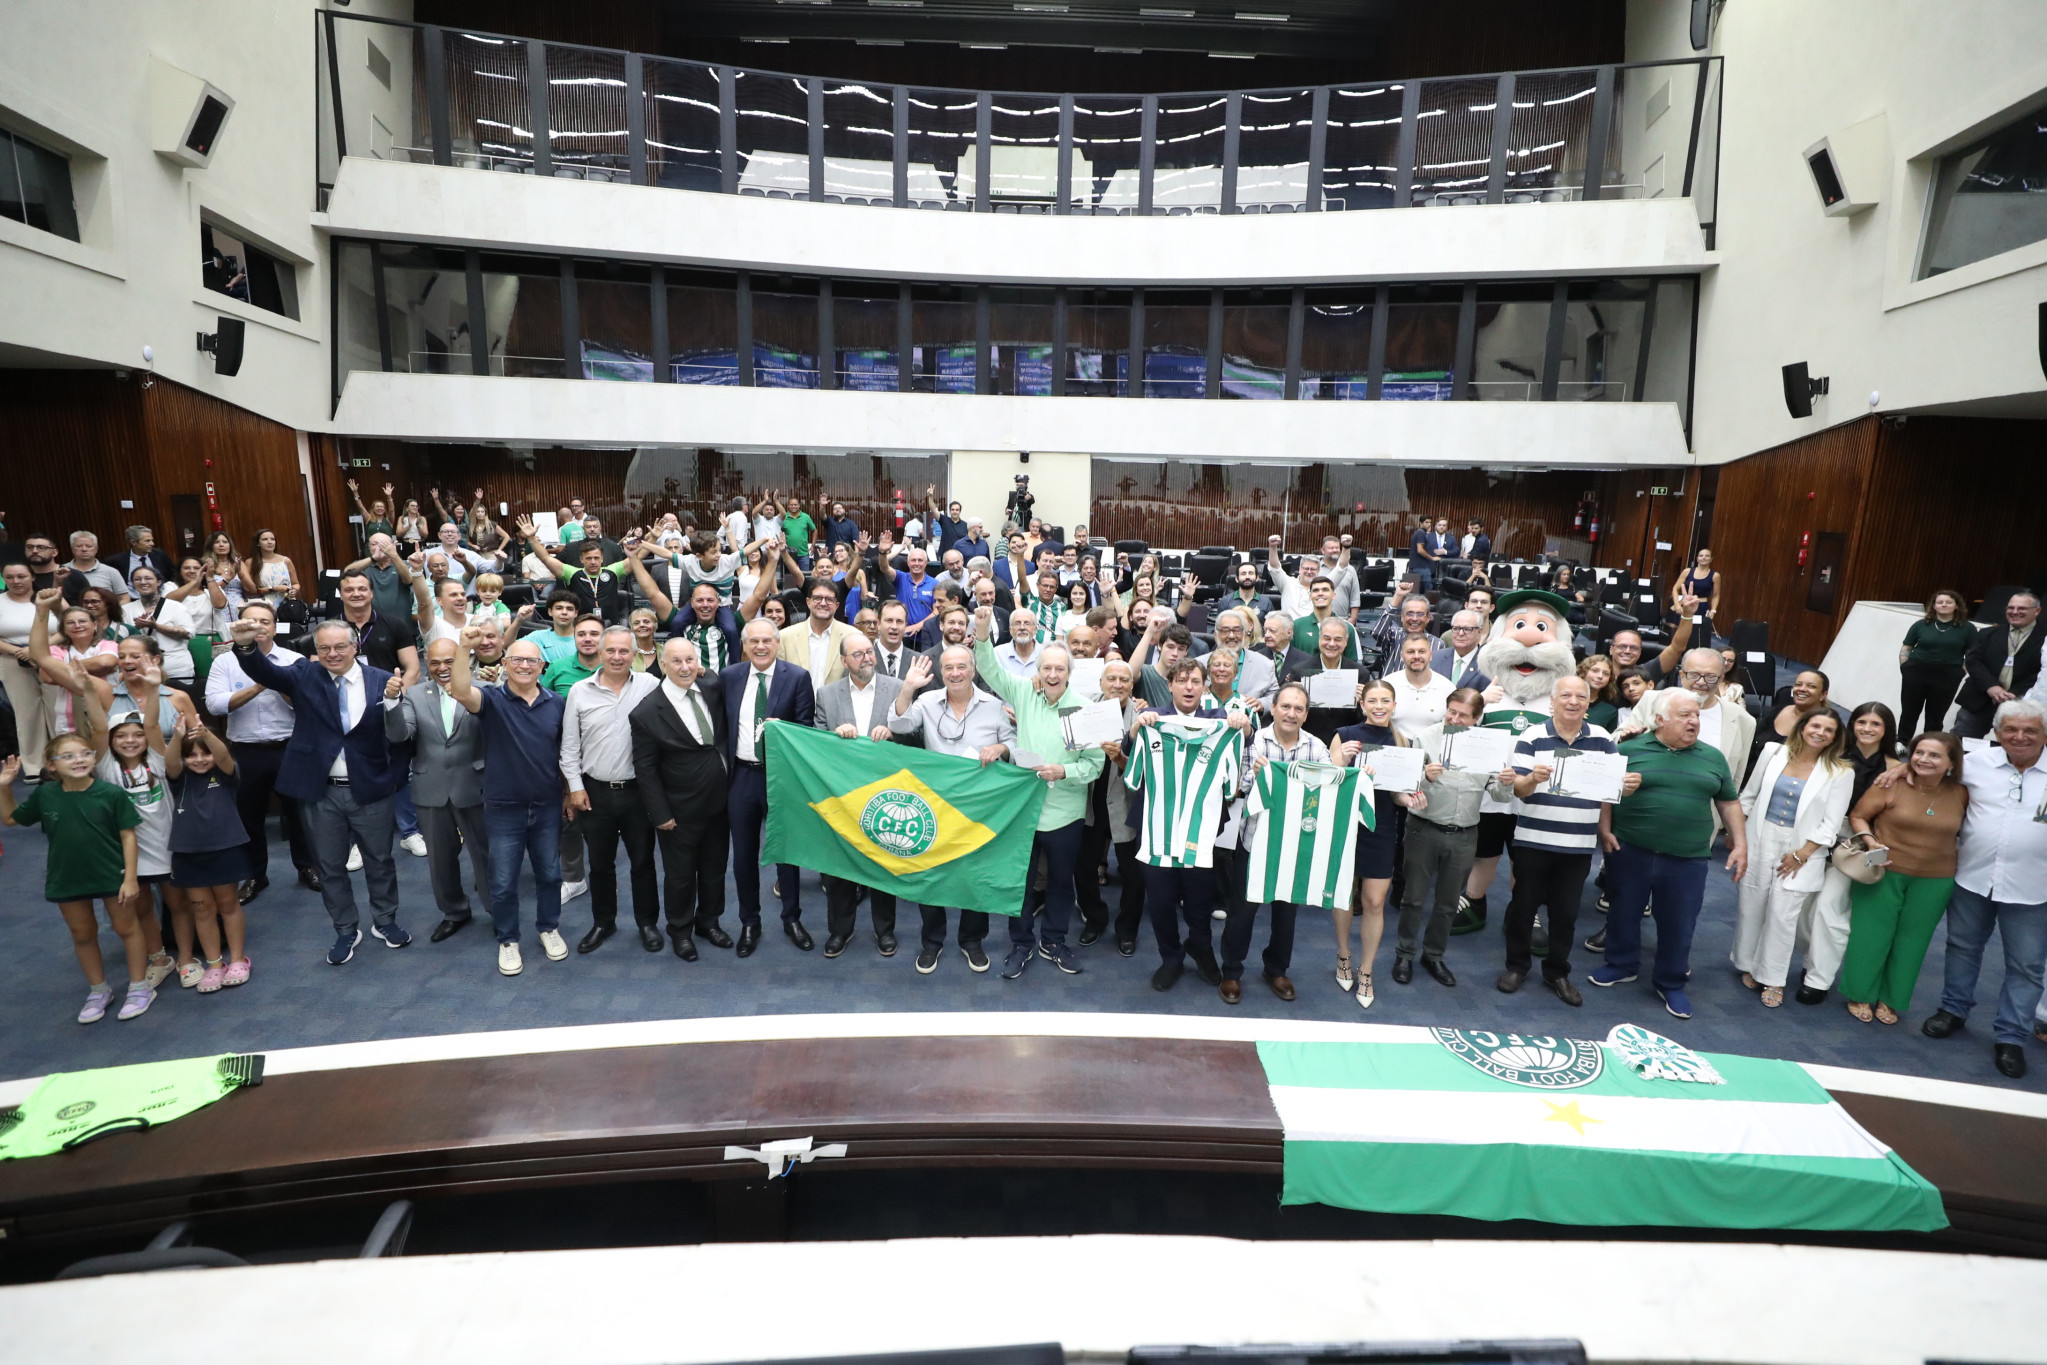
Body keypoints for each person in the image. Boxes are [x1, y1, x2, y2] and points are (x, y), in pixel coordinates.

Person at [228, 615, 412, 965]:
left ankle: (386, 921)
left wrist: (394, 777)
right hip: (321, 792)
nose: (332, 654)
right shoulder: (304, 675)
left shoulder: (382, 680)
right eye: (324, 648)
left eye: (340, 646)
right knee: (329, 866)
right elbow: (266, 672)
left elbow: (399, 738)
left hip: (371, 789)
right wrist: (246, 646)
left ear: (354, 647)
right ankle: (345, 929)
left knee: (380, 861)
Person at [1589, 689, 1748, 1020]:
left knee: (1679, 922)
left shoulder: (1713, 757)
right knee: (1623, 912)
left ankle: (1671, 981)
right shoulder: (1629, 749)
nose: (1694, 721)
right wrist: (1604, 830)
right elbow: (1606, 792)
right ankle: (1621, 965)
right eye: (1684, 715)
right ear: (1660, 720)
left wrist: (1740, 843)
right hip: (1631, 849)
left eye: (1696, 715)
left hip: (1688, 857)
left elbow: (1729, 801)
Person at [975, 605, 1106, 979]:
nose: (1051, 674)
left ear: (1069, 672)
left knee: (1061, 884)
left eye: (1059, 669)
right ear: (1037, 670)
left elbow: (1094, 766)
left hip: (1065, 813)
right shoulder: (1023, 693)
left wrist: (1064, 770)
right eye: (1046, 668)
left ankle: (1054, 941)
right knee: (1021, 882)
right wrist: (982, 634)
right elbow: (990, 670)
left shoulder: (1083, 710)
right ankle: (1021, 944)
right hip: (1025, 810)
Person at [1918, 701, 2047, 1078]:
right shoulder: (1974, 765)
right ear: (1997, 733)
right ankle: (1953, 1010)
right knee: (1961, 946)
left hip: (2034, 888)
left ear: (2044, 735)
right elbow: (1928, 771)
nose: (2020, 737)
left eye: (2030, 730)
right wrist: (1896, 771)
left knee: (2026, 967)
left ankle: (2011, 1037)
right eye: (2011, 730)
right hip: (1973, 878)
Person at [0, 736, 152, 1023]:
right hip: (67, 876)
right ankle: (99, 990)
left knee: (126, 927)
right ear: (51, 766)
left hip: (111, 874)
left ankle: (139, 986)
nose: (79, 760)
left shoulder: (111, 793)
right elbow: (10, 819)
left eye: (85, 753)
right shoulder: (46, 795)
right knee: (82, 934)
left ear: (94, 758)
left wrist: (131, 878)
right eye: (68, 756)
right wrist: (5, 787)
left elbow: (128, 836)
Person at [1497, 673, 1627, 1005]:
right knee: (1523, 908)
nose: (1573, 702)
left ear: (1588, 703)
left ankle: (1557, 972)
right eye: (1566, 696)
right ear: (1552, 702)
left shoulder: (1602, 738)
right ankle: (1516, 966)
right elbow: (1519, 791)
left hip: (1578, 844)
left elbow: (1611, 791)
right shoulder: (1532, 735)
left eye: (1580, 697)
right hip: (1532, 840)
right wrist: (1532, 779)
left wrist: (1625, 788)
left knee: (1566, 914)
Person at [446, 629, 569, 976]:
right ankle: (508, 939)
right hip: (504, 808)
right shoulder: (491, 700)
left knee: (550, 875)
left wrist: (568, 793)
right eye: (517, 659)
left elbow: (564, 752)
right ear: (504, 664)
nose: (524, 665)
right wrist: (464, 647)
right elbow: (460, 690)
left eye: (532, 660)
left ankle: (548, 927)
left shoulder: (557, 703)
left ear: (542, 667)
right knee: (502, 881)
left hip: (547, 805)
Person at [888, 646, 1012, 973]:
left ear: (973, 670)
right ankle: (932, 941)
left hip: (979, 807)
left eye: (961, 667)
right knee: (930, 874)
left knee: (975, 875)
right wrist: (908, 687)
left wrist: (1000, 747)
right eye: (949, 668)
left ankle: (972, 940)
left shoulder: (994, 706)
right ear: (941, 673)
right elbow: (899, 724)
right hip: (935, 805)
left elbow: (1013, 744)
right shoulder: (927, 701)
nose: (955, 673)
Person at [1126, 658, 1244, 991]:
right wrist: (1135, 729)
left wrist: (1243, 727)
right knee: (1161, 902)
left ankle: (1201, 947)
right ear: (1170, 685)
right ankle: (1171, 958)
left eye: (1195, 681)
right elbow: (1131, 769)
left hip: (1199, 832)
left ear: (1205, 687)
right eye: (1182, 680)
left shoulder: (1220, 722)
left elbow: (1234, 777)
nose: (1189, 687)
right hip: (1157, 831)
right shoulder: (1153, 720)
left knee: (1199, 900)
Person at [1839, 731, 1968, 1027]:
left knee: (1913, 940)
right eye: (1919, 752)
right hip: (1885, 869)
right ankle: (1860, 994)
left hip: (1936, 878)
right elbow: (1858, 816)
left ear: (1951, 762)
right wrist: (1871, 842)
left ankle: (1891, 999)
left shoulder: (1962, 792)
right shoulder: (1890, 783)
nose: (1924, 759)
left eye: (1934, 755)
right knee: (1872, 933)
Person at [1731, 709, 1853, 1009]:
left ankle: (1773, 978)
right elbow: (1749, 796)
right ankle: (1748, 963)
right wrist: (1738, 837)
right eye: (1815, 726)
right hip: (1761, 837)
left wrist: (1802, 854)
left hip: (1802, 849)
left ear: (1835, 738)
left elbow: (1831, 824)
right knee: (1752, 903)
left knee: (1783, 915)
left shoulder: (1841, 772)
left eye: (1829, 730)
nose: (1820, 733)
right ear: (1802, 727)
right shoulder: (1774, 753)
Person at [71, 670, 179, 992]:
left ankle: (187, 958)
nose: (129, 740)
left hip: (167, 845)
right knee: (142, 908)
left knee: (179, 904)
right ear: (111, 742)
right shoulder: (105, 766)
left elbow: (153, 724)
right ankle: (159, 959)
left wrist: (154, 688)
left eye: (136, 735)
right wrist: (89, 690)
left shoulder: (157, 761)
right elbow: (99, 727)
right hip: (129, 852)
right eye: (121, 736)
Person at [1221, 681, 1327, 1002]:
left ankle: (1276, 969)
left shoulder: (1316, 748)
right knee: (1242, 912)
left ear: (1306, 715)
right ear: (1274, 709)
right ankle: (1231, 971)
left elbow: (1327, 793)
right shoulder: (1252, 742)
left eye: (1298, 709)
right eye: (1286, 706)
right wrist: (1254, 775)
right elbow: (1235, 789)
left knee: (1286, 914)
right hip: (1255, 842)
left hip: (1295, 845)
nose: (1291, 714)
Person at [204, 602, 317, 902]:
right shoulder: (224, 662)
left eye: (265, 621)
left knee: (300, 813)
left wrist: (277, 679)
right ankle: (255, 874)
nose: (258, 626)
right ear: (239, 627)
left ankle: (307, 866)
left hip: (290, 747)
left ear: (275, 627)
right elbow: (215, 705)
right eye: (250, 621)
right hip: (245, 751)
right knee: (249, 817)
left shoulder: (294, 660)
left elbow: (307, 704)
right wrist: (260, 683)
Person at [561, 626, 664, 954]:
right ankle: (603, 922)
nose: (617, 657)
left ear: (634, 654)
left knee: (643, 862)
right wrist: (575, 788)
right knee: (600, 864)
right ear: (600, 653)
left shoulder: (651, 685)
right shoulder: (579, 691)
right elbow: (569, 747)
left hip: (639, 793)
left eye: (624, 651)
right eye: (611, 651)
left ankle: (647, 923)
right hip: (595, 793)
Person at [629, 637, 733, 958]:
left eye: (690, 660)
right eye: (676, 661)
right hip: (679, 811)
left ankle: (709, 922)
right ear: (663, 665)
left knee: (715, 870)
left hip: (719, 804)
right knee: (681, 876)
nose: (685, 667)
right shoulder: (646, 711)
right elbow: (645, 769)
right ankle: (680, 930)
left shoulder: (711, 685)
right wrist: (660, 814)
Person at [1331, 679, 1430, 1009]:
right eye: (1372, 700)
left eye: (1385, 700)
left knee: (1374, 902)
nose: (1378, 706)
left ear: (1394, 705)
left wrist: (1410, 800)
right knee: (1345, 896)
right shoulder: (1345, 735)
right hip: (1345, 826)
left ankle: (1367, 969)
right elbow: (1329, 781)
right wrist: (1341, 760)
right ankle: (1344, 955)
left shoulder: (1403, 742)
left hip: (1381, 827)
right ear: (1363, 704)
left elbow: (1398, 794)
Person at [385, 637, 490, 945]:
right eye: (435, 662)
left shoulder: (484, 688)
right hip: (430, 789)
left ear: (462, 659)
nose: (442, 668)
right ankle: (454, 912)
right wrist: (391, 701)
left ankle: (499, 910)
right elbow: (399, 735)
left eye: (449, 661)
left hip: (476, 786)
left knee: (487, 856)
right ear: (426, 665)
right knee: (440, 860)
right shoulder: (414, 694)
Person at [723, 617, 817, 956]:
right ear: (745, 646)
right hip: (742, 777)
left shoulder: (798, 677)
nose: (761, 646)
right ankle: (750, 922)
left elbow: (806, 728)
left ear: (778, 644)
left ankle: (792, 918)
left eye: (767, 641)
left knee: (786, 853)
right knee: (743, 856)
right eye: (754, 641)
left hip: (780, 778)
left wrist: (785, 729)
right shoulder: (729, 677)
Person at [813, 631, 904, 958]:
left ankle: (885, 930)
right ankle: (840, 931)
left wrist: (893, 732)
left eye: (869, 651)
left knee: (882, 864)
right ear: (844, 661)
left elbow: (915, 735)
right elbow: (816, 742)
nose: (867, 658)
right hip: (842, 796)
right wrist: (834, 736)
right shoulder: (826, 694)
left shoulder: (898, 688)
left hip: (884, 795)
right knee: (839, 866)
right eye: (858, 654)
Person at [1397, 687, 1492, 991]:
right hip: (1424, 828)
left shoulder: (1488, 745)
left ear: (1477, 718)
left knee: (1448, 902)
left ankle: (1434, 955)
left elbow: (1501, 794)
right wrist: (1426, 777)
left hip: (1464, 832)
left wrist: (1505, 782)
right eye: (1451, 711)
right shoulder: (1425, 737)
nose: (1454, 719)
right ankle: (1404, 954)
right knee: (1413, 898)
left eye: (1463, 715)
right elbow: (1405, 784)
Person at [161, 714, 253, 992]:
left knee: (228, 904)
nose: (199, 759)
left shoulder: (225, 773)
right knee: (201, 909)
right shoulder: (180, 778)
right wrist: (178, 737)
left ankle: (238, 960)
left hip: (225, 849)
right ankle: (214, 964)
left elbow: (222, 755)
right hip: (188, 853)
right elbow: (170, 761)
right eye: (192, 755)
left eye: (205, 753)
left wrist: (205, 734)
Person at [1075, 657, 1146, 956]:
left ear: (1132, 685)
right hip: (1090, 802)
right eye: (1111, 679)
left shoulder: (1143, 718)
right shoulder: (1082, 710)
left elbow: (1144, 773)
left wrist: (1119, 758)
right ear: (1100, 683)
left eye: (1124, 680)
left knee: (1133, 874)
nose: (1117, 685)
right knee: (1083, 868)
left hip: (1125, 804)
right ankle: (1094, 918)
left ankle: (1127, 929)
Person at [1954, 591, 2040, 740]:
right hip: (1979, 700)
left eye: (2021, 608)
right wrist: (1991, 687)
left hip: (2022, 705)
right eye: (2011, 608)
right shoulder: (1987, 633)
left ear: (2037, 611)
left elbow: (2042, 672)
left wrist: (2015, 693)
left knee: (2017, 747)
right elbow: (1973, 661)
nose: (2015, 612)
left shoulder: (2045, 638)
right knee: (1959, 743)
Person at [0, 561, 54, 779]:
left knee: (57, 710)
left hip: (52, 658)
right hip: (12, 660)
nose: (15, 581)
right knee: (26, 714)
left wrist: (36, 650)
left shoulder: (49, 597)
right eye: (9, 577)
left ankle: (62, 760)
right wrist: (17, 651)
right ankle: (34, 766)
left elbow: (68, 627)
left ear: (32, 577)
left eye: (21, 576)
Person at [1896, 588, 1972, 738]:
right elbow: (1907, 647)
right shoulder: (1920, 625)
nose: (1944, 605)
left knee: (1936, 715)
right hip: (1916, 673)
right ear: (1934, 606)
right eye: (1940, 602)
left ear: (1957, 605)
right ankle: (1903, 741)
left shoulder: (1967, 628)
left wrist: (1960, 673)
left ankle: (1931, 743)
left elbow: (1972, 654)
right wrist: (1905, 668)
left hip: (1947, 676)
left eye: (1948, 602)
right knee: (1909, 711)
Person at [1280, 615, 1365, 745]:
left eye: (1338, 639)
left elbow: (1363, 719)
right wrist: (1295, 697)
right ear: (1319, 639)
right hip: (1308, 742)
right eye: (1327, 638)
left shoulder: (1360, 674)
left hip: (1346, 742)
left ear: (1346, 642)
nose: (1331, 644)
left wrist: (1363, 702)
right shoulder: (1299, 671)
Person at [123, 567, 195, 696]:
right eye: (137, 579)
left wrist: (156, 626)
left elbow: (187, 633)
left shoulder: (175, 607)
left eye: (148, 578)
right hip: (141, 668)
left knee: (179, 701)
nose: (143, 582)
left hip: (175, 666)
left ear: (159, 582)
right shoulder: (126, 610)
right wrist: (135, 630)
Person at [778, 579, 857, 688]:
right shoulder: (784, 637)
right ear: (808, 602)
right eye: (817, 598)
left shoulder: (853, 636)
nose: (823, 603)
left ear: (837, 605)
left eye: (829, 600)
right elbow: (779, 681)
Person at [1196, 608, 1277, 712]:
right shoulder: (1198, 664)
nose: (1231, 636)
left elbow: (1276, 696)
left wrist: (1262, 704)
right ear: (1216, 635)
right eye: (1225, 630)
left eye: (1236, 630)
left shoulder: (1265, 664)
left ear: (1244, 634)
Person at [1386, 633, 1453, 740]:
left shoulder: (1448, 688)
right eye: (1410, 652)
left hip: (1432, 748)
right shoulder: (1387, 684)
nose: (1416, 656)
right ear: (1402, 657)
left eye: (1422, 651)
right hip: (1395, 747)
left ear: (1430, 655)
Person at [239, 529, 299, 611]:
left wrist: (294, 590)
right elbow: (249, 590)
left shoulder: (286, 561)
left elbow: (296, 583)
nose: (270, 542)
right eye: (265, 539)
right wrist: (274, 588)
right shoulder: (251, 562)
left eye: (272, 539)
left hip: (287, 605)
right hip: (263, 605)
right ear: (258, 543)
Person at [66, 531, 131, 606]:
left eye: (88, 546)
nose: (84, 549)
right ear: (72, 549)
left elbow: (124, 598)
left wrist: (115, 612)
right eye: (79, 546)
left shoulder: (111, 571)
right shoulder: (63, 571)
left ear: (96, 549)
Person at [1674, 547, 1722, 643]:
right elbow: (1675, 589)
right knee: (1681, 632)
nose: (1704, 557)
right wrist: (1677, 604)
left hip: (1702, 606)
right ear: (1697, 558)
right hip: (1685, 604)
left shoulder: (1715, 575)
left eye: (1707, 556)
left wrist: (1713, 610)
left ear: (1711, 559)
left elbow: (1716, 595)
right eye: (1701, 555)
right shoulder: (1687, 571)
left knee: (1697, 633)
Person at [1439, 611, 1491, 692]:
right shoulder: (1436, 658)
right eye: (1456, 628)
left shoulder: (1489, 664)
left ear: (1479, 631)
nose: (1460, 633)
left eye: (1467, 629)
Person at [994, 607, 1044, 676]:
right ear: (1010, 630)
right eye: (1017, 623)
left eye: (1027, 623)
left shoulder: (1046, 653)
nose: (1022, 627)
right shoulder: (998, 654)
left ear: (1035, 629)